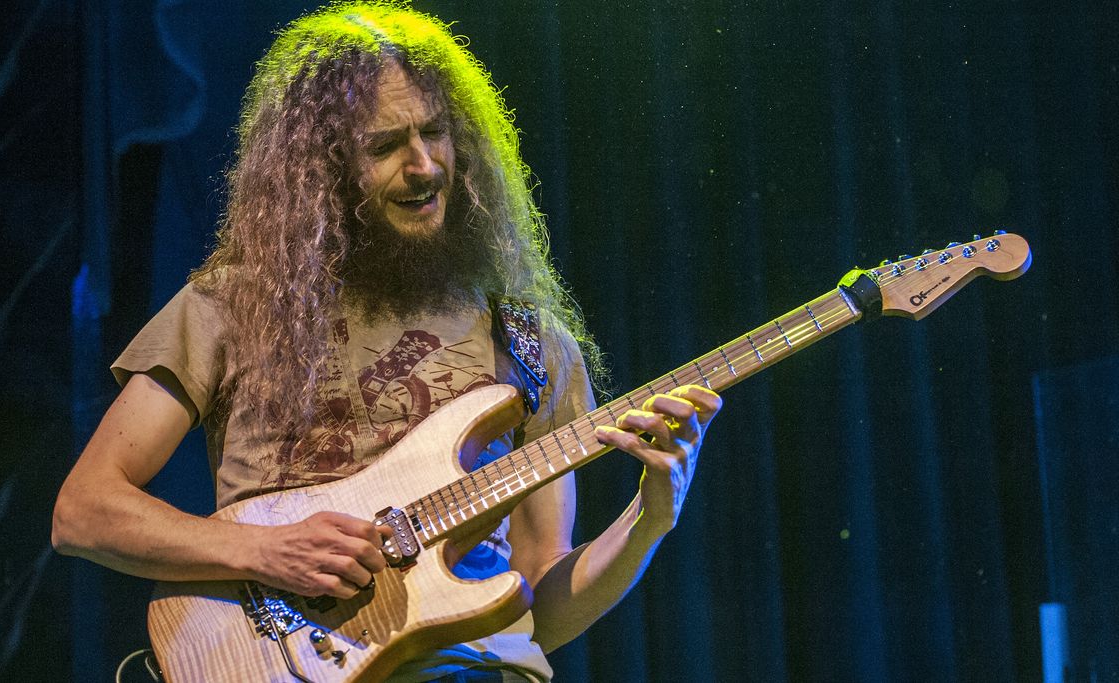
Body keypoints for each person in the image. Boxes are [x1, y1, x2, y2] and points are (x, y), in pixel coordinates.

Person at [52, 3, 721, 681]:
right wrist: (263, 549)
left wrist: (647, 521)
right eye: (387, 145)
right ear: (325, 169)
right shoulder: (232, 305)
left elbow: (539, 597)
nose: (425, 165)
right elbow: (83, 511)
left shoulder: (528, 343)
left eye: (436, 133)